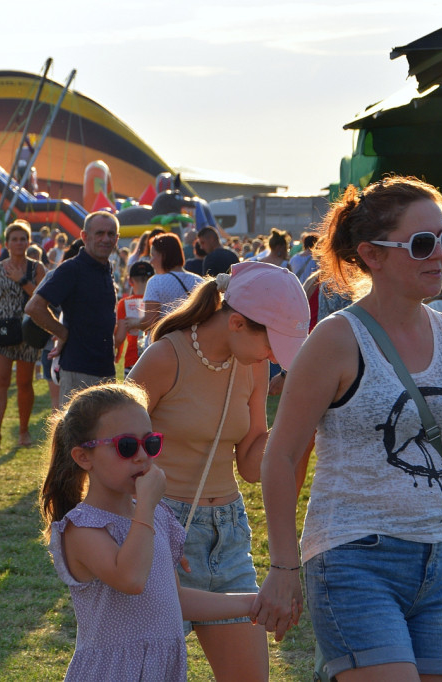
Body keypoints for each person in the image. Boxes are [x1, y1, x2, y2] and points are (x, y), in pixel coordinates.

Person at [254, 177, 442, 681]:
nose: (441, 255)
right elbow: (280, 456)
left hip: (439, 559)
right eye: (422, 244)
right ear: (373, 255)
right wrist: (282, 567)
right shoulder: (337, 339)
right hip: (353, 556)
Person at [128, 261, 310, 682]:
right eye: (272, 343)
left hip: (228, 532)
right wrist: (143, 521)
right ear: (237, 322)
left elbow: (249, 463)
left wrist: (301, 424)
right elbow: (113, 445)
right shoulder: (165, 355)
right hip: (162, 526)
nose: (274, 356)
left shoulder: (254, 364)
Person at [39, 382, 257, 682]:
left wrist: (251, 604)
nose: (142, 456)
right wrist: (145, 509)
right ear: (83, 457)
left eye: (150, 443)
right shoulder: (82, 527)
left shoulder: (155, 515)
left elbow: (173, 599)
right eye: (126, 446)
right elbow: (131, 578)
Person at [25, 211, 119, 406]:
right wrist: (63, 333)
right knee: (77, 434)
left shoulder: (105, 268)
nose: (106, 239)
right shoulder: (72, 269)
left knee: (103, 434)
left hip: (105, 369)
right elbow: (34, 307)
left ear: (117, 239)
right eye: (99, 233)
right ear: (85, 236)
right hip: (79, 370)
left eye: (111, 234)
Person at [0, 221, 45, 448]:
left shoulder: (36, 268)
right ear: (7, 243)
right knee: (0, 380)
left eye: (23, 239)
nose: (19, 243)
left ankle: (23, 431)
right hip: (2, 328)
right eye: (14, 239)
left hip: (28, 329)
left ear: (29, 242)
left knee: (24, 383)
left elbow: (41, 296)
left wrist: (22, 280)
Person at [132, 232, 204, 333]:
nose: (151, 261)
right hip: (193, 343)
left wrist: (133, 323)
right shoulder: (199, 281)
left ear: (163, 256)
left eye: (153, 255)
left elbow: (150, 321)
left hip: (163, 344)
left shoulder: (156, 281)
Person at [114, 261, 154, 378]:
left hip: (132, 358)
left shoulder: (124, 303)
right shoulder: (156, 302)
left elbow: (120, 337)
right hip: (154, 356)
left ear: (130, 281)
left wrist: (115, 348)